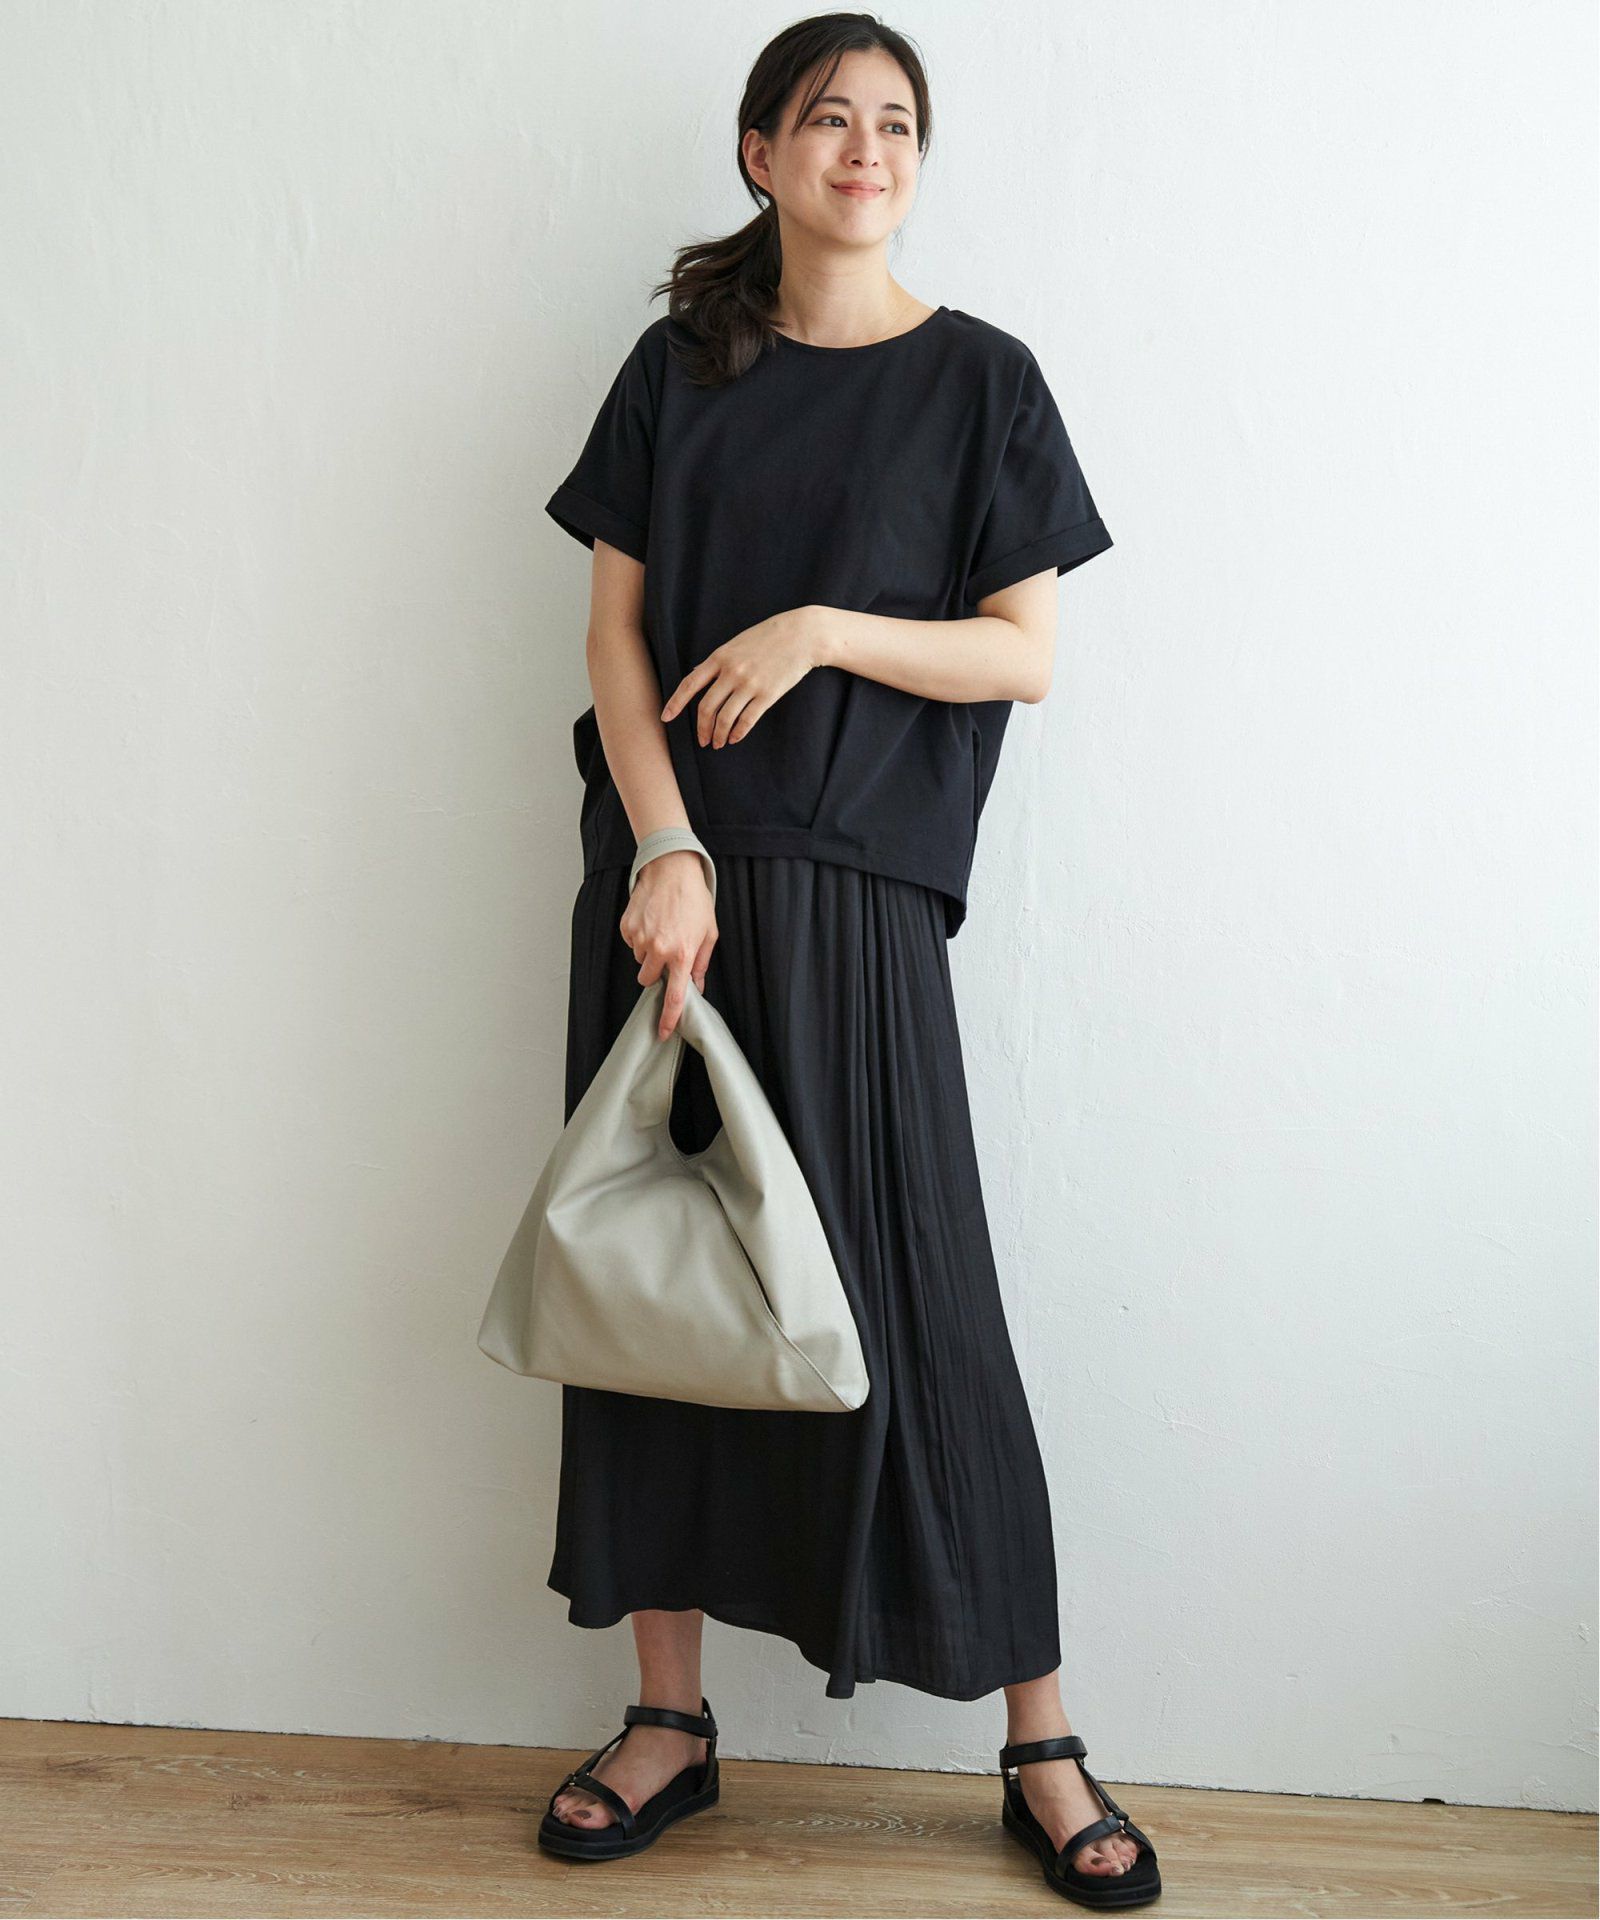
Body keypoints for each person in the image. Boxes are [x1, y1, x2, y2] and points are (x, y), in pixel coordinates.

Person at [521, 11, 1160, 1906]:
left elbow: (1022, 651)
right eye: (827, 118)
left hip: (867, 900)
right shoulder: (678, 368)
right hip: (674, 898)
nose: (864, 148)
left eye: (894, 123)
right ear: (761, 153)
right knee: (657, 1295)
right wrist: (664, 847)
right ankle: (668, 1718)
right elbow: (614, 644)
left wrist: (819, 627)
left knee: (923, 1308)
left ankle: (1040, 1739)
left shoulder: (983, 382)